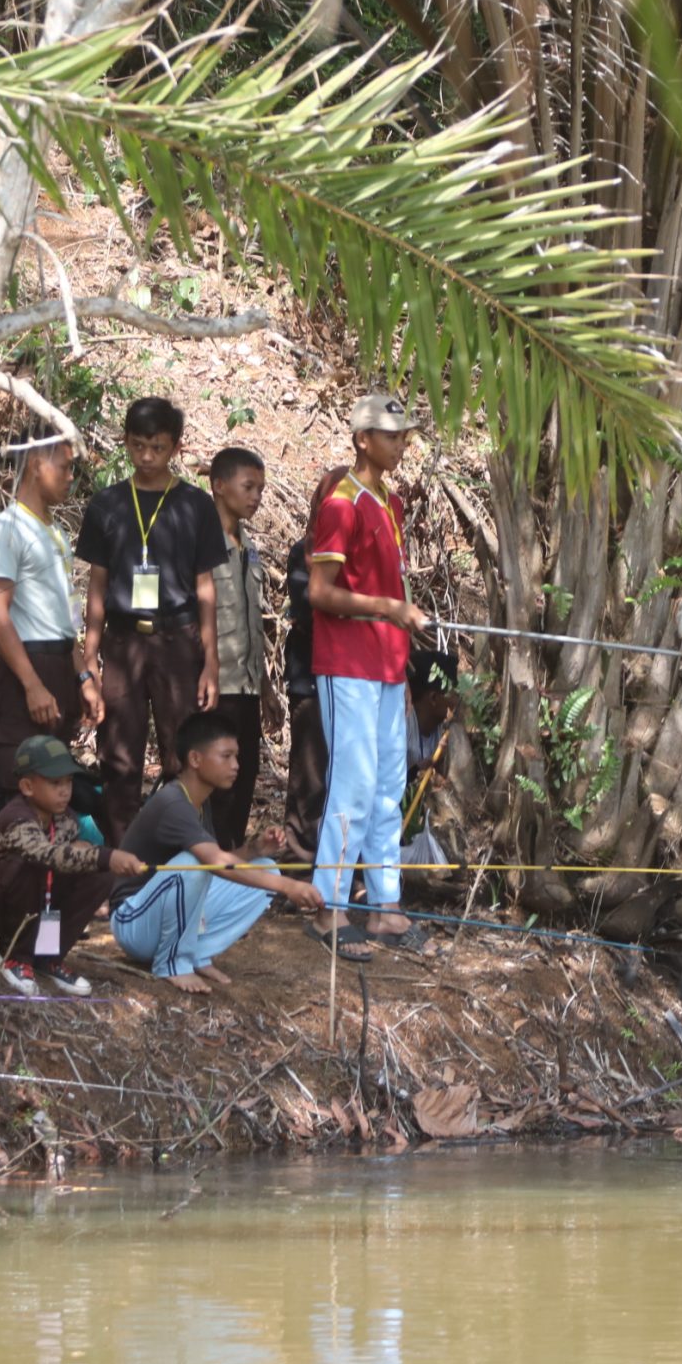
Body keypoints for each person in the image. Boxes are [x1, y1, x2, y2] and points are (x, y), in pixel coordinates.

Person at [306, 392, 428, 956]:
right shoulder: (341, 504)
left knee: (388, 785)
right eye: (389, 435)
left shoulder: (391, 503)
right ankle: (326, 904)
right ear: (361, 439)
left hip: (386, 664)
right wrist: (388, 608)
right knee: (351, 785)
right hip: (347, 663)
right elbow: (320, 593)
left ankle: (385, 904)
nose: (400, 443)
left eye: (404, 435)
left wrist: (403, 625)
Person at [79, 398, 228, 839]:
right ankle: (123, 861)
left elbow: (205, 588)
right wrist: (89, 656)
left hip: (178, 641)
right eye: (138, 445)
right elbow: (97, 585)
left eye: (158, 448)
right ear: (125, 441)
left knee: (182, 752)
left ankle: (185, 857)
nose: (146, 457)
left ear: (176, 448)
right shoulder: (107, 505)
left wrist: (211, 662)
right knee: (118, 755)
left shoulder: (195, 506)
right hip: (123, 640)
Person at [110, 712, 327, 993]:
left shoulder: (200, 801)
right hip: (132, 923)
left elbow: (217, 861)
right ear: (195, 759)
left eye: (236, 757)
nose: (236, 765)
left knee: (266, 867)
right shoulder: (173, 802)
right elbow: (212, 863)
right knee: (194, 864)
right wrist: (289, 886)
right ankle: (172, 962)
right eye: (226, 756)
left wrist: (254, 850)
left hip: (157, 914)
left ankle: (196, 953)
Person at [0, 425, 102, 819]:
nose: (70, 477)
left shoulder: (56, 532)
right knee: (22, 777)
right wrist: (32, 685)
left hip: (59, 664)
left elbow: (62, 620)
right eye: (64, 467)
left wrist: (82, 677)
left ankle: (44, 871)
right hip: (26, 667)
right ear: (35, 464)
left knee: (53, 779)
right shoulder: (8, 529)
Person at [0, 734, 147, 996]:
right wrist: (105, 855)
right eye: (55, 782)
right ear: (27, 787)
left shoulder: (66, 819)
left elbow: (66, 865)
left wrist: (93, 857)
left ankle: (47, 955)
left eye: (68, 781)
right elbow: (45, 854)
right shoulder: (16, 816)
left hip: (37, 907)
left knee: (97, 873)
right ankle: (14, 955)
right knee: (27, 864)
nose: (65, 790)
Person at [204, 446, 281, 848]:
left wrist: (266, 687)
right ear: (218, 485)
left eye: (261, 490)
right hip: (217, 687)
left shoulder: (249, 547)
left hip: (247, 688)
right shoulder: (200, 545)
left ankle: (229, 866)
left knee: (243, 778)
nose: (256, 497)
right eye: (248, 487)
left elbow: (253, 623)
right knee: (215, 788)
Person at [280, 466, 349, 864]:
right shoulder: (304, 551)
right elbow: (309, 606)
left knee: (345, 773)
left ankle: (340, 862)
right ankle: (301, 860)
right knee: (310, 774)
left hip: (351, 676)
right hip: (311, 674)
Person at [401, 648, 458, 873]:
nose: (457, 701)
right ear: (434, 698)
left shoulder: (442, 731)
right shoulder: (403, 726)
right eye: (453, 694)